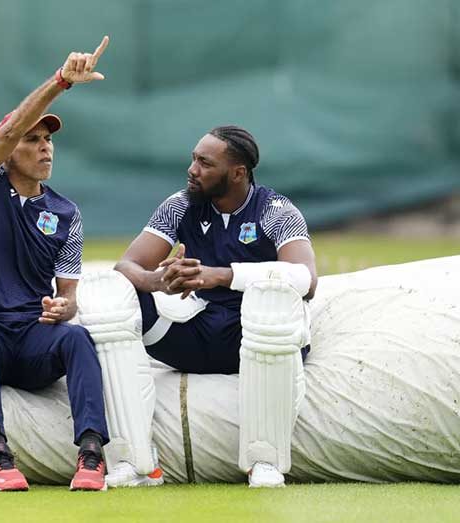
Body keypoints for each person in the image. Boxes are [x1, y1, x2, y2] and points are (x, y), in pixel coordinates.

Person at [77, 125, 317, 488]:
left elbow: (306, 279)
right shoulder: (181, 205)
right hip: (200, 333)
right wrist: (162, 280)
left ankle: (264, 460)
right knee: (115, 295)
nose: (192, 169)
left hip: (258, 337)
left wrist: (219, 276)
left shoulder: (275, 210)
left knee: (274, 299)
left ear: (238, 173)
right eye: (193, 159)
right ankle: (137, 460)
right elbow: (126, 267)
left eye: (205, 163)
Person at [0, 36, 112, 492]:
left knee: (77, 339)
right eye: (33, 139)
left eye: (49, 140)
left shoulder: (66, 213)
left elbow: (69, 296)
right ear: (12, 147)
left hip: (31, 340)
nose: (45, 148)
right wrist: (60, 82)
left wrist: (64, 309)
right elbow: (7, 129)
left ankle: (92, 454)